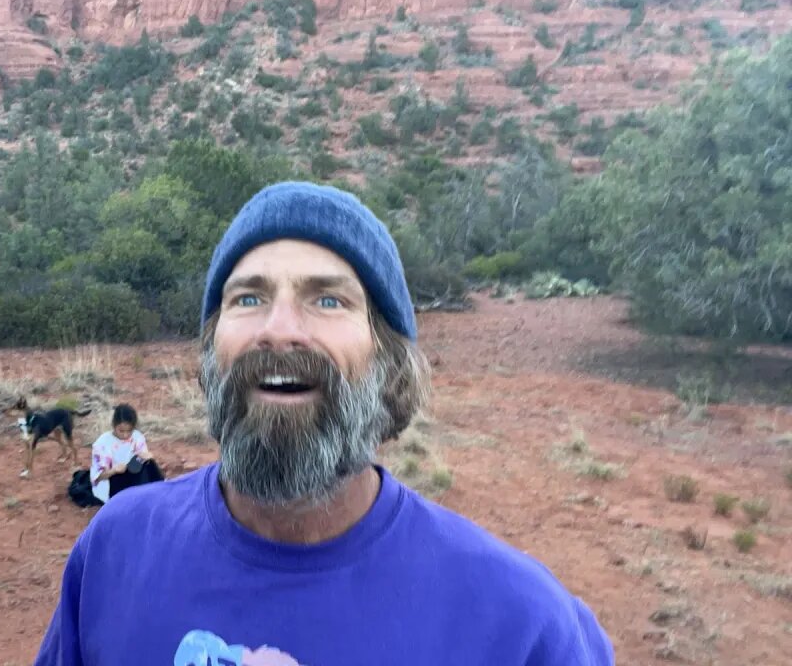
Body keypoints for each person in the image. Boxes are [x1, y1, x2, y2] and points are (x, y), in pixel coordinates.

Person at [35, 182, 614, 665]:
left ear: (389, 365)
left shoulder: (520, 624)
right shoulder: (115, 550)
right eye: (247, 298)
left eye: (328, 300)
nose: (279, 329)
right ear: (210, 357)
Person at [89, 403, 164, 503]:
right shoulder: (102, 443)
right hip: (113, 481)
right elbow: (98, 477)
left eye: (129, 431)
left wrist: (147, 456)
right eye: (121, 431)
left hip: (132, 477)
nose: (125, 435)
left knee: (150, 464)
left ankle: (158, 492)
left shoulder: (137, 437)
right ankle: (142, 497)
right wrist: (114, 470)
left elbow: (140, 462)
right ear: (114, 425)